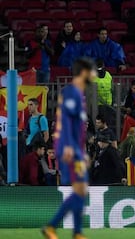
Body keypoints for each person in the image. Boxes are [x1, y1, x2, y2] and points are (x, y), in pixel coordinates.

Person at [42, 58, 96, 239]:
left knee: (81, 189)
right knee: (80, 188)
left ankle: (75, 232)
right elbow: (64, 122)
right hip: (67, 148)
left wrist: (82, 151)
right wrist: (70, 148)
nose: (94, 75)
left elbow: (77, 129)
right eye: (92, 71)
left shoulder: (79, 95)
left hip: (75, 149)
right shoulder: (70, 92)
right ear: (83, 73)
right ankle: (55, 227)